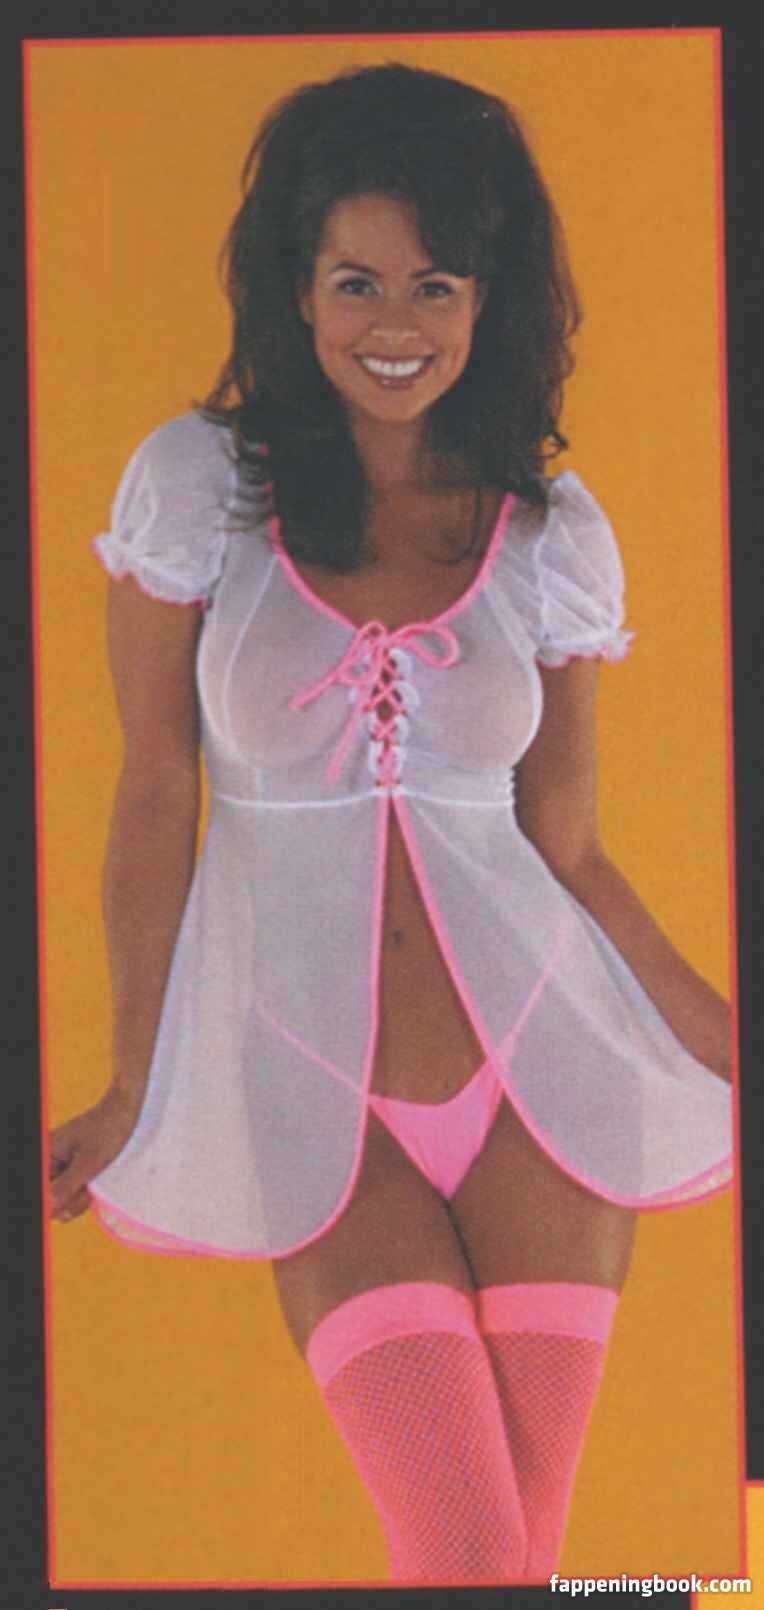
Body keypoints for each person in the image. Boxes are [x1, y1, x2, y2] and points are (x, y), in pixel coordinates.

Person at [48, 62, 732, 1585]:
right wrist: (132, 1080)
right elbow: (155, 788)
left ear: (489, 300)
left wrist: (724, 1038)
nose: (395, 322)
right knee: (471, 1552)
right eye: (355, 280)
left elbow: (570, 848)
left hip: (546, 1077)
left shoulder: (550, 533)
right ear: (296, 291)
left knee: (514, 1568)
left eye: (436, 283)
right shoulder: (200, 491)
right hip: (315, 1094)